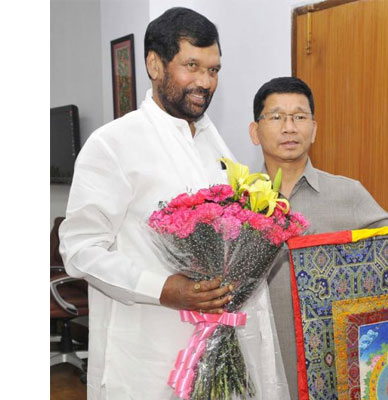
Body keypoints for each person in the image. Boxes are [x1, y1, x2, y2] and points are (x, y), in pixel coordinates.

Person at [59, 8, 287, 399]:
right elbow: (80, 249)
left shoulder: (215, 145)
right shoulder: (113, 144)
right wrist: (163, 288)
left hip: (219, 352)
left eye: (213, 70)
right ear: (154, 64)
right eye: (191, 66)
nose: (205, 82)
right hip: (146, 353)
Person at [248, 77, 388, 399]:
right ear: (255, 131)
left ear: (314, 129)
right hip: (257, 363)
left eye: (299, 116)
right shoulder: (235, 200)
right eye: (277, 116)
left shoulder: (348, 194)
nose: (289, 127)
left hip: (331, 364)